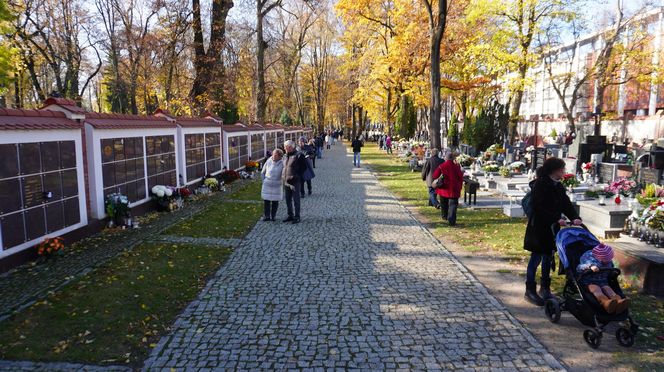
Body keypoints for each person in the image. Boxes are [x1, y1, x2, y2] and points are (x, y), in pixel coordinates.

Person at [524, 157, 582, 306]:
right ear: (554, 170)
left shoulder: (558, 186)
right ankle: (530, 290)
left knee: (548, 258)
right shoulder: (541, 184)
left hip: (552, 229)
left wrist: (575, 217)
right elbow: (539, 207)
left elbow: (565, 204)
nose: (564, 171)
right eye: (562, 169)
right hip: (538, 228)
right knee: (536, 258)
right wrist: (555, 218)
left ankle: (545, 289)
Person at [577, 243, 630, 314]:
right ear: (599, 258)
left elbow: (610, 268)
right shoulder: (589, 259)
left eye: (610, 259)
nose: (609, 261)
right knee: (596, 290)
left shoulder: (608, 261)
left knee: (608, 289)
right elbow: (579, 268)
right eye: (607, 259)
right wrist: (590, 266)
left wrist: (612, 272)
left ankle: (619, 302)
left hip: (603, 281)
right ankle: (606, 303)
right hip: (588, 282)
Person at [432, 152, 464, 225]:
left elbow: (435, 175)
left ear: (446, 158)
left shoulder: (442, 166)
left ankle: (444, 216)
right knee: (453, 205)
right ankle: (451, 220)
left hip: (444, 188)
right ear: (453, 158)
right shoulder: (457, 166)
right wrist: (460, 187)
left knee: (444, 204)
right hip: (454, 189)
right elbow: (460, 177)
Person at [282, 140, 306, 224]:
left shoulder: (299, 155)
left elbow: (304, 167)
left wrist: (297, 175)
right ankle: (290, 215)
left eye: (285, 147)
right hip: (286, 181)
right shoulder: (285, 156)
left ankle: (297, 216)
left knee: (296, 200)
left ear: (290, 147)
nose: (284, 148)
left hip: (295, 181)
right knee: (288, 200)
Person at [260, 148, 284, 221]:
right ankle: (267, 216)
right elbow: (262, 172)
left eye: (275, 155)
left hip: (277, 185)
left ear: (280, 156)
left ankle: (273, 216)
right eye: (273, 154)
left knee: (275, 201)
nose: (273, 156)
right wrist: (264, 180)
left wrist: (281, 181)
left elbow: (284, 174)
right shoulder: (269, 161)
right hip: (267, 184)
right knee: (266, 201)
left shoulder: (283, 163)